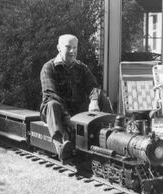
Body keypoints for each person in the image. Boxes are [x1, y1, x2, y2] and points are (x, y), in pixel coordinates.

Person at [40, 34, 113, 163]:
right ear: (59, 48)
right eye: (68, 47)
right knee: (52, 104)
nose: (72, 51)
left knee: (101, 97)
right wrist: (68, 117)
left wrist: (94, 100)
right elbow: (52, 94)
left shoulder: (82, 68)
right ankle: (62, 146)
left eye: (75, 47)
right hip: (58, 112)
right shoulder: (48, 68)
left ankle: (110, 136)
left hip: (77, 111)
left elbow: (94, 87)